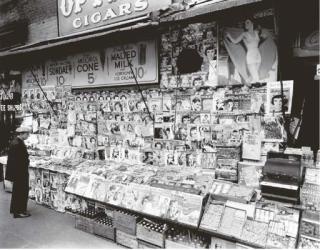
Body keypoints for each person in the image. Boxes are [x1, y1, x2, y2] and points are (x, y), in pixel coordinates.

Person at [6, 126, 31, 218]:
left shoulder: (17, 142)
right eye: (27, 134)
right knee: (21, 191)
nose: (28, 135)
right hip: (20, 172)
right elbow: (17, 160)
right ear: (22, 134)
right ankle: (19, 212)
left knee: (17, 192)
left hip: (19, 172)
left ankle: (16, 210)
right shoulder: (17, 144)